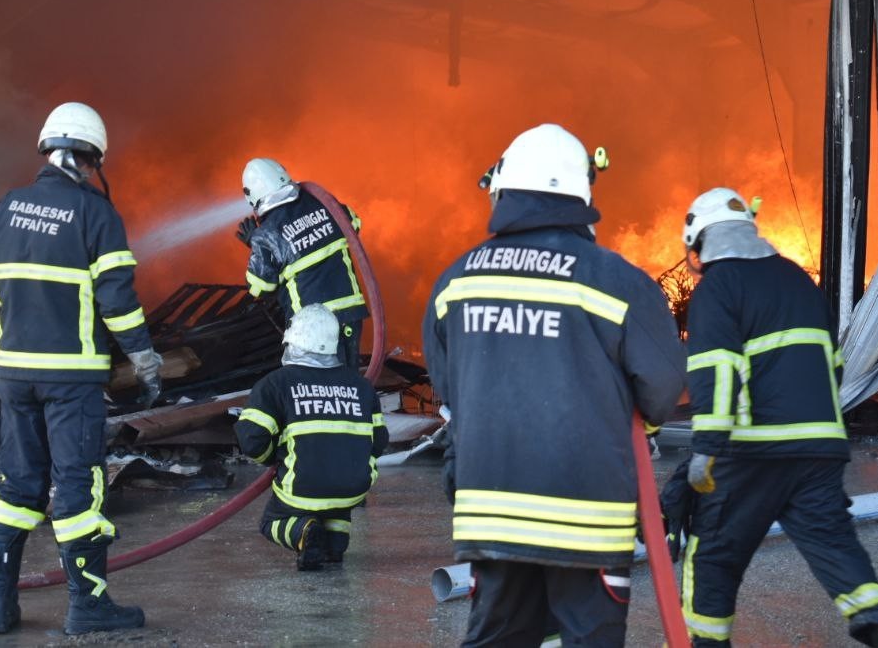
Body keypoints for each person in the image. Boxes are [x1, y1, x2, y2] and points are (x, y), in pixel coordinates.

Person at [422, 123, 687, 647]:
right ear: (581, 192)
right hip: (586, 517)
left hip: (491, 514)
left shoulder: (456, 282)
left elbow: (450, 393)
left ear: (505, 190)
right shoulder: (617, 281)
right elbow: (662, 386)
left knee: (498, 638)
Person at [0, 102, 163, 636]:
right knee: (77, 488)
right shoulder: (96, 214)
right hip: (71, 380)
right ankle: (88, 606)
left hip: (13, 378)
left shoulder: (4, 209)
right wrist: (145, 362)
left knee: (17, 486)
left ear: (47, 150)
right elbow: (118, 300)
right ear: (93, 157)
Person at [675, 187, 878, 647]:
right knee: (833, 542)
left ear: (701, 241)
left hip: (752, 452)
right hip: (820, 448)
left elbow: (718, 371)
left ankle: (702, 643)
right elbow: (833, 365)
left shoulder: (717, 288)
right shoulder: (798, 280)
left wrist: (706, 448)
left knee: (714, 554)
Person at [233, 303, 388, 570]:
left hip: (303, 488)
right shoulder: (361, 386)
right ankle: (335, 543)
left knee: (270, 522)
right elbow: (380, 440)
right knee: (336, 493)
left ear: (293, 341)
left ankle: (303, 530)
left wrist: (277, 459)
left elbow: (251, 438)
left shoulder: (276, 383)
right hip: (355, 488)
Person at [236, 158, 368, 367]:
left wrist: (255, 243)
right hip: (350, 312)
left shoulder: (267, 234)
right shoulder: (322, 202)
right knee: (348, 382)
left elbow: (259, 287)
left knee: (320, 387)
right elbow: (354, 223)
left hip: (312, 327)